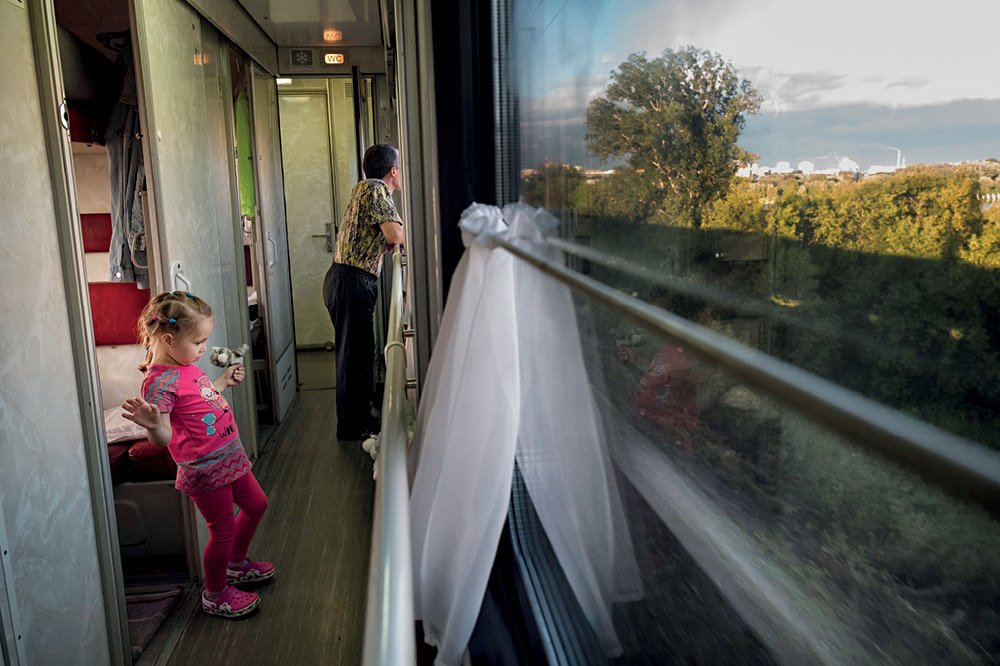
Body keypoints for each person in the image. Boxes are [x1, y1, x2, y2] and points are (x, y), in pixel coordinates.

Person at [122, 291, 273, 619]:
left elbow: (201, 398)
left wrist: (222, 382)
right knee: (222, 530)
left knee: (256, 504)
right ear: (167, 339)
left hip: (227, 453)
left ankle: (236, 565)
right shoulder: (157, 383)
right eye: (199, 341)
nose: (204, 348)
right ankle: (216, 593)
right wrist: (150, 425)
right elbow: (163, 438)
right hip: (204, 467)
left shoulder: (187, 364)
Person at [323, 143, 405, 443]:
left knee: (358, 354)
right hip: (352, 281)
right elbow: (396, 235)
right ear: (393, 170)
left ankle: (360, 419)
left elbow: (381, 235)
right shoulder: (375, 188)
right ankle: (352, 427)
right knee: (354, 357)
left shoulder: (366, 188)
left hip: (348, 280)